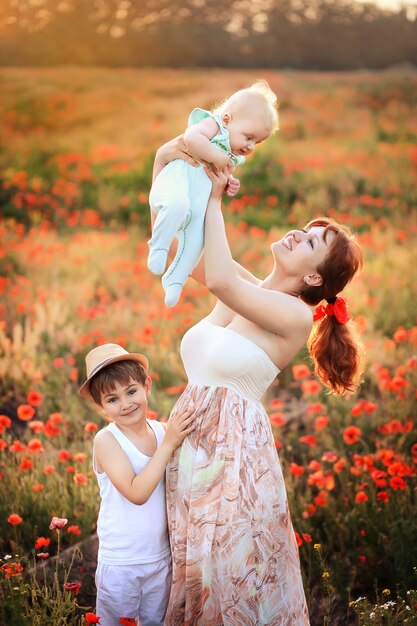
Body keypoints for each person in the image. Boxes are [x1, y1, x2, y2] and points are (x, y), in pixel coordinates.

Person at [150, 139, 364, 625]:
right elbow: (169, 248)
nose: (297, 234)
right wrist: (166, 165)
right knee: (196, 580)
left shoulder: (292, 315)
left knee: (228, 586)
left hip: (233, 460)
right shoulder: (247, 289)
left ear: (313, 279)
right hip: (190, 451)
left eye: (310, 242)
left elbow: (221, 279)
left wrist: (213, 199)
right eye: (306, 230)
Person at [78, 343, 195, 626]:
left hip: (160, 557)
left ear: (147, 386)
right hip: (122, 562)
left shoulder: (161, 431)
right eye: (112, 399)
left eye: (131, 391)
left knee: (157, 622)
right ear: (100, 406)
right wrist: (168, 445)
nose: (126, 404)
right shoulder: (107, 441)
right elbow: (137, 492)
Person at [148, 80, 278, 307]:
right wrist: (215, 157)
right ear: (227, 119)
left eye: (257, 142)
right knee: (176, 206)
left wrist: (230, 184)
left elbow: (225, 175)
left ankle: (175, 279)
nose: (250, 147)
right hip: (177, 184)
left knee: (196, 241)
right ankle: (157, 248)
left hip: (196, 198)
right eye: (249, 137)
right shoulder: (214, 126)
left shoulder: (232, 153)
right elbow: (191, 137)